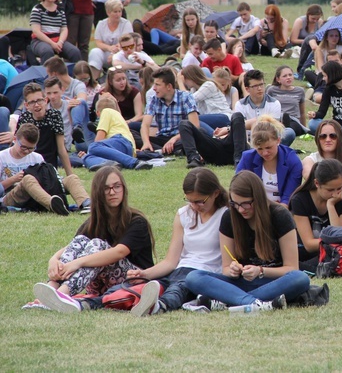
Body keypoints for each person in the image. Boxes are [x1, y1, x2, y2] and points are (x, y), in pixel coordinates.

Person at [184, 170, 311, 314]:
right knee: (193, 278)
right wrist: (233, 270)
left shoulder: (280, 216)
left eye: (245, 204)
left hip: (271, 282)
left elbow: (291, 268)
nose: (240, 209)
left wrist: (261, 271)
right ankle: (253, 303)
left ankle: (230, 302)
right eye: (235, 204)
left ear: (258, 198)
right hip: (239, 283)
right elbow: (225, 268)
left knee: (300, 278)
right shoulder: (229, 217)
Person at [32, 166, 155, 313]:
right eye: (106, 188)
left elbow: (119, 252)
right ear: (98, 192)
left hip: (134, 281)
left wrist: (77, 263)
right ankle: (50, 290)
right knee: (81, 240)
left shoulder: (136, 221)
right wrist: (53, 259)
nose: (112, 192)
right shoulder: (95, 221)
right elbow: (73, 247)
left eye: (117, 186)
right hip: (101, 284)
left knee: (97, 244)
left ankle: (62, 295)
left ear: (123, 189)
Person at [124, 168, 229, 315]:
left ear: (215, 194)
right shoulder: (184, 214)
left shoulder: (225, 215)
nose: (194, 206)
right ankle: (89, 302)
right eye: (190, 201)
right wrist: (144, 274)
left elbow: (227, 263)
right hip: (179, 270)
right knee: (141, 285)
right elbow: (170, 261)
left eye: (199, 201)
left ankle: (159, 306)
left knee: (179, 288)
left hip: (205, 275)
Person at [0, 123, 90, 215]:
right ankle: (53, 205)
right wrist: (14, 179)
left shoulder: (37, 157)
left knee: (71, 178)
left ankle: (86, 204)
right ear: (15, 139)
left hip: (37, 194)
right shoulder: (2, 157)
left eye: (31, 148)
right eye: (23, 147)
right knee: (28, 179)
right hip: (10, 196)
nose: (27, 151)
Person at [291, 159, 342, 272]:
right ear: (316, 183)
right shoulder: (300, 200)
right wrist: (334, 241)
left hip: (333, 253)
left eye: (339, 188)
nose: (335, 194)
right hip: (304, 253)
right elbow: (309, 245)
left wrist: (331, 206)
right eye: (330, 190)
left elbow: (341, 237)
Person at [235, 117, 303, 208]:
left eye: (268, 147)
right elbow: (238, 188)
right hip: (254, 208)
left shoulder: (292, 161)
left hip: (283, 211)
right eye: (259, 149)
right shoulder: (247, 158)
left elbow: (288, 198)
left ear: (278, 140)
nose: (264, 153)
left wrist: (278, 207)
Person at [18, 83, 74, 177]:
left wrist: (70, 175)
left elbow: (61, 149)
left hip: (49, 166)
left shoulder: (54, 115)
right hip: (30, 166)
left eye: (39, 100)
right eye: (32, 102)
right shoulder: (24, 118)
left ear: (45, 100)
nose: (36, 105)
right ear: (26, 105)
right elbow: (20, 148)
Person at [141, 67, 200, 155]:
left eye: (157, 85)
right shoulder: (153, 99)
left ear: (169, 86)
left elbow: (195, 126)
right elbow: (145, 124)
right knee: (132, 134)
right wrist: (146, 142)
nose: (154, 88)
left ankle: (158, 151)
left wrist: (174, 139)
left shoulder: (186, 97)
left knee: (194, 138)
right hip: (162, 137)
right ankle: (164, 150)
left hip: (181, 137)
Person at [82, 97, 152, 171]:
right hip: (126, 150)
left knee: (93, 146)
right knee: (87, 157)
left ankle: (134, 162)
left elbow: (98, 140)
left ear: (98, 113)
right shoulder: (118, 117)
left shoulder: (106, 111)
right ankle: (109, 164)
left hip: (121, 140)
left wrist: (89, 150)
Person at [302, 120, 342, 193]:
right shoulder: (310, 160)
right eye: (323, 136)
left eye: (333, 136)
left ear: (340, 138)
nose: (328, 140)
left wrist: (330, 189)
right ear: (317, 139)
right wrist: (340, 185)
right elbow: (309, 178)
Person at [29, 0, 82, 64]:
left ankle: (73, 75)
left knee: (75, 52)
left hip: (58, 39)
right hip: (40, 40)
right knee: (47, 51)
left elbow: (64, 28)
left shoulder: (60, 9)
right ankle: (46, 75)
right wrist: (52, 43)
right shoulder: (37, 9)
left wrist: (60, 42)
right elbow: (36, 31)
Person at [177, 65, 233, 130]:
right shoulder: (194, 89)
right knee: (193, 121)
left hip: (224, 117)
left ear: (190, 78)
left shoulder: (209, 85)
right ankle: (213, 137)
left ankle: (214, 137)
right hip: (212, 118)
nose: (184, 82)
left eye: (184, 79)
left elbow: (189, 100)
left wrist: (180, 83)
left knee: (193, 120)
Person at [89, 0, 132, 80]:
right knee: (95, 52)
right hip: (106, 52)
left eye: (120, 11)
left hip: (122, 53)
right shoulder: (101, 24)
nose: (118, 14)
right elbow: (98, 42)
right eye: (115, 12)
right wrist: (109, 48)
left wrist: (114, 53)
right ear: (108, 12)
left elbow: (126, 41)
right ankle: (94, 81)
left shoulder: (126, 24)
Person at [266, 65, 307, 136]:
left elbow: (302, 112)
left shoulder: (300, 91)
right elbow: (266, 108)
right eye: (284, 76)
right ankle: (282, 128)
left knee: (293, 127)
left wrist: (304, 128)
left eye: (290, 75)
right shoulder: (272, 90)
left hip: (294, 120)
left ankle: (285, 129)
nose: (288, 77)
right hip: (277, 119)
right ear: (278, 79)